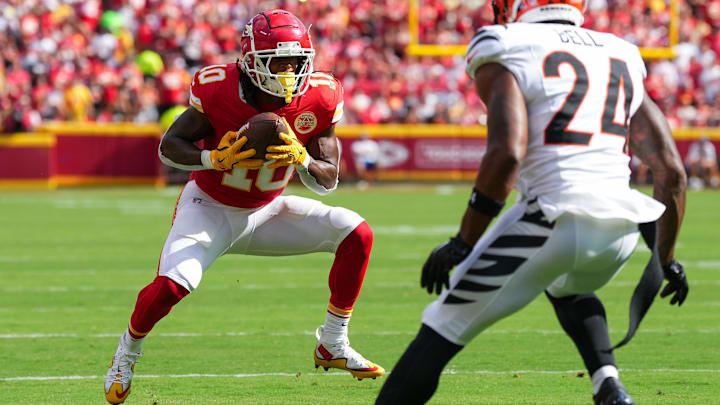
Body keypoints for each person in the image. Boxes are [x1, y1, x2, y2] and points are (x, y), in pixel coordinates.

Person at [375, 1, 688, 404]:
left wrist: (463, 241)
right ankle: (608, 385)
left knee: (441, 327)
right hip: (621, 235)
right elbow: (671, 171)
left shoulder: (506, 42)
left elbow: (506, 153)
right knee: (565, 284)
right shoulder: (621, 51)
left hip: (550, 221)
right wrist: (666, 257)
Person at [104, 9, 384, 404]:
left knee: (356, 232)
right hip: (211, 205)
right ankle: (125, 354)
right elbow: (170, 146)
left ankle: (333, 343)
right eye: (277, 62)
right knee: (172, 285)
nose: (288, 72)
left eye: (296, 62)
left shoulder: (321, 95)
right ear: (251, 61)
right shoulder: (219, 90)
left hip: (268, 210)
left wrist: (301, 159)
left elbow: (329, 179)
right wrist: (211, 159)